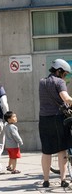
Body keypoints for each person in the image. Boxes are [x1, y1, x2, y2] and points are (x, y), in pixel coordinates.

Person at [39, 58, 72, 188]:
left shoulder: (42, 82)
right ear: (59, 71)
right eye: (64, 73)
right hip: (58, 119)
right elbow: (66, 98)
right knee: (61, 150)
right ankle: (63, 179)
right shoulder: (59, 82)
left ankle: (46, 180)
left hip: (44, 119)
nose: (65, 76)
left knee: (46, 151)